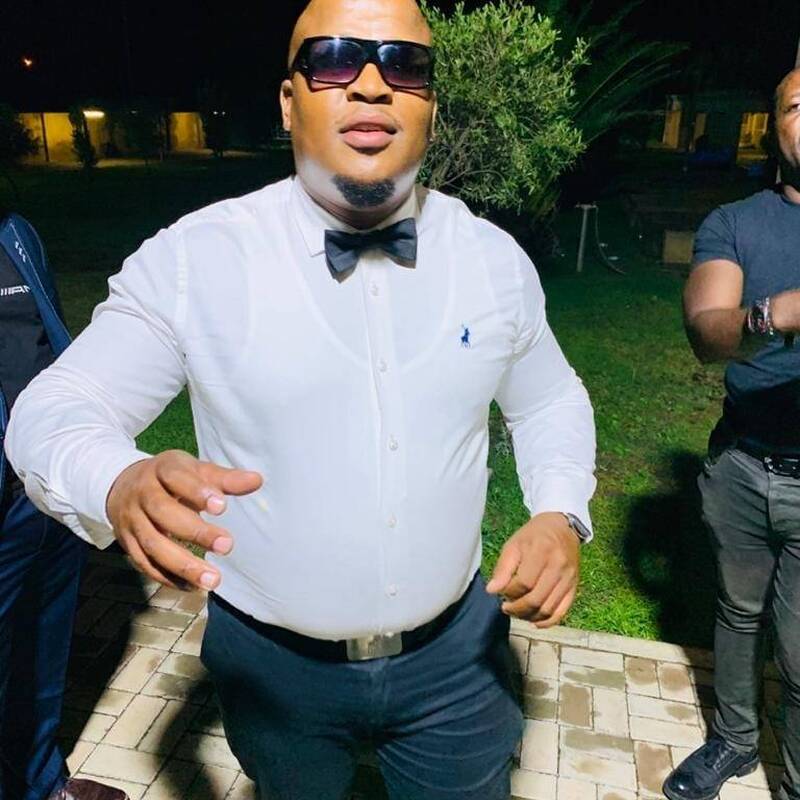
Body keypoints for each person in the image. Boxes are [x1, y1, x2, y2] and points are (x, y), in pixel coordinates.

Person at [6, 1, 596, 797]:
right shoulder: (196, 261)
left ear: (429, 106)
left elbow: (550, 399)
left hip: (458, 661)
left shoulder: (492, 260)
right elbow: (53, 408)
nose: (372, 84)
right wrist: (116, 481)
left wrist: (559, 512)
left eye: (404, 65)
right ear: (289, 102)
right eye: (334, 59)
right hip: (273, 671)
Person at [663, 68, 800, 800]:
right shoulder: (736, 222)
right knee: (738, 615)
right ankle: (737, 742)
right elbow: (707, 333)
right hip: (743, 465)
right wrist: (775, 314)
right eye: (797, 106)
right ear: (774, 128)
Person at [0, 210, 126, 800]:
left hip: (43, 486)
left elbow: (49, 341)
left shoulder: (15, 232)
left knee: (43, 648)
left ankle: (41, 782)